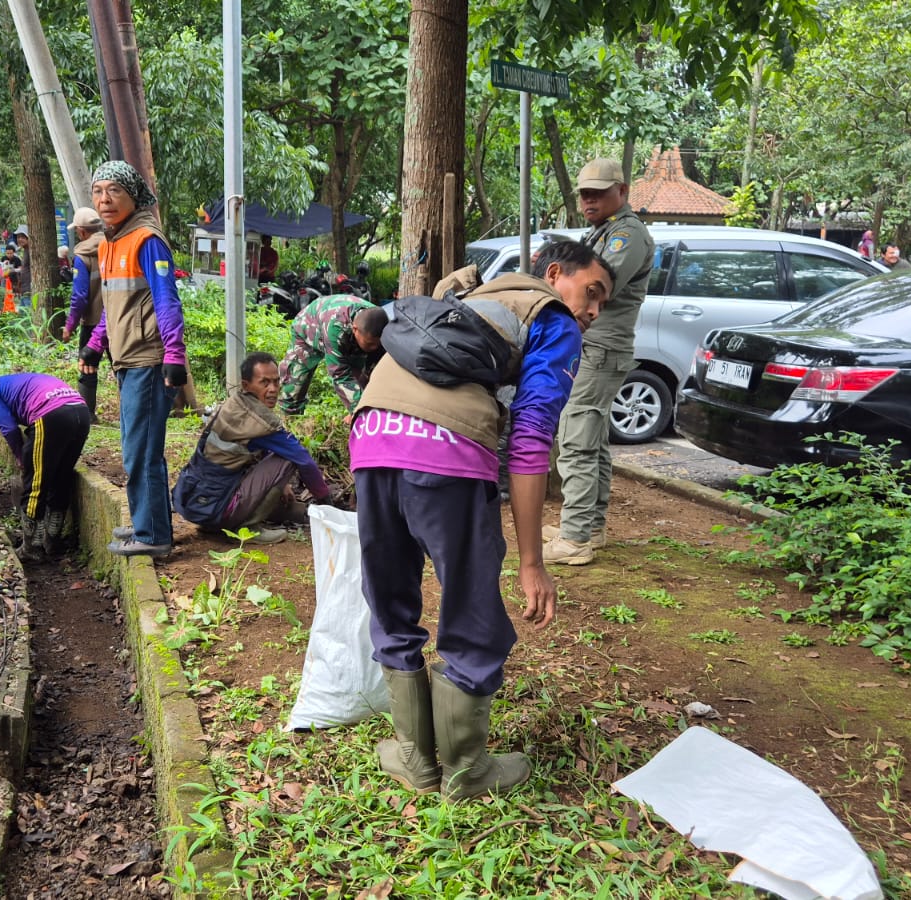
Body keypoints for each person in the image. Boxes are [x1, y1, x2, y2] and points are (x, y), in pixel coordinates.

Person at [351, 240, 613, 801]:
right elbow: (531, 439)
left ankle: (415, 760)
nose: (592, 311)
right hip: (444, 448)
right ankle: (466, 771)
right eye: (592, 292)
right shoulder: (554, 320)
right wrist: (531, 560)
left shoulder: (470, 293)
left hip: (371, 435)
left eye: (602, 305)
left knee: (390, 595)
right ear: (554, 274)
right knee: (470, 604)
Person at [545, 158, 655, 566]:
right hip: (592, 346)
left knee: (576, 435)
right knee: (592, 436)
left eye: (599, 192)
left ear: (621, 192)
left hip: (601, 347)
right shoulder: (602, 233)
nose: (589, 199)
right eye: (584, 192)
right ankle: (589, 526)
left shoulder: (627, 236)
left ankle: (575, 538)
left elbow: (596, 284)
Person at [80, 161, 188, 558]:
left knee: (140, 450)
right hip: (126, 359)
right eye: (98, 192)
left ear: (133, 195)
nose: (105, 200)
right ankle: (148, 525)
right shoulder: (110, 241)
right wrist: (95, 342)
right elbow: (115, 305)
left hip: (148, 358)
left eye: (114, 191)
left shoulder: (146, 239)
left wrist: (174, 354)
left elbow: (166, 301)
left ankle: (154, 535)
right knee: (138, 447)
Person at [172, 351, 333, 544]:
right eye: (264, 382)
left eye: (276, 381)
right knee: (288, 459)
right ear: (246, 385)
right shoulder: (261, 420)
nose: (273, 389)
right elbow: (304, 460)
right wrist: (326, 501)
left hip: (197, 502)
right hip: (217, 507)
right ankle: (248, 528)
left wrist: (284, 486)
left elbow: (255, 448)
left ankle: (288, 513)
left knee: (283, 467)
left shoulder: (235, 404)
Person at [0, 372, 93, 562]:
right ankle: (52, 540)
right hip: (81, 412)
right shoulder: (13, 381)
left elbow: (8, 427)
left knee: (35, 482)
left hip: (51, 414)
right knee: (61, 477)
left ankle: (31, 546)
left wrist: (20, 455)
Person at [277, 295, 387, 416]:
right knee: (294, 385)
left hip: (349, 336)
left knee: (363, 379)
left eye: (378, 343)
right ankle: (289, 421)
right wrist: (360, 412)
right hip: (309, 328)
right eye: (370, 344)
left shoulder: (379, 322)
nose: (375, 348)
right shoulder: (336, 327)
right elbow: (339, 373)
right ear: (355, 329)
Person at [62, 207, 107, 414]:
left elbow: (80, 296)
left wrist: (70, 326)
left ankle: (87, 414)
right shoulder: (113, 244)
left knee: (87, 365)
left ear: (81, 231)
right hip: (117, 318)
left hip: (92, 322)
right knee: (123, 366)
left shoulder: (82, 254)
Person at [11, 225, 33, 308]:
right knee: (22, 316)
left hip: (29, 290)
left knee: (28, 314)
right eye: (18, 237)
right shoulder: (25, 250)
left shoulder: (31, 251)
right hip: (24, 290)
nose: (20, 239)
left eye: (23, 237)